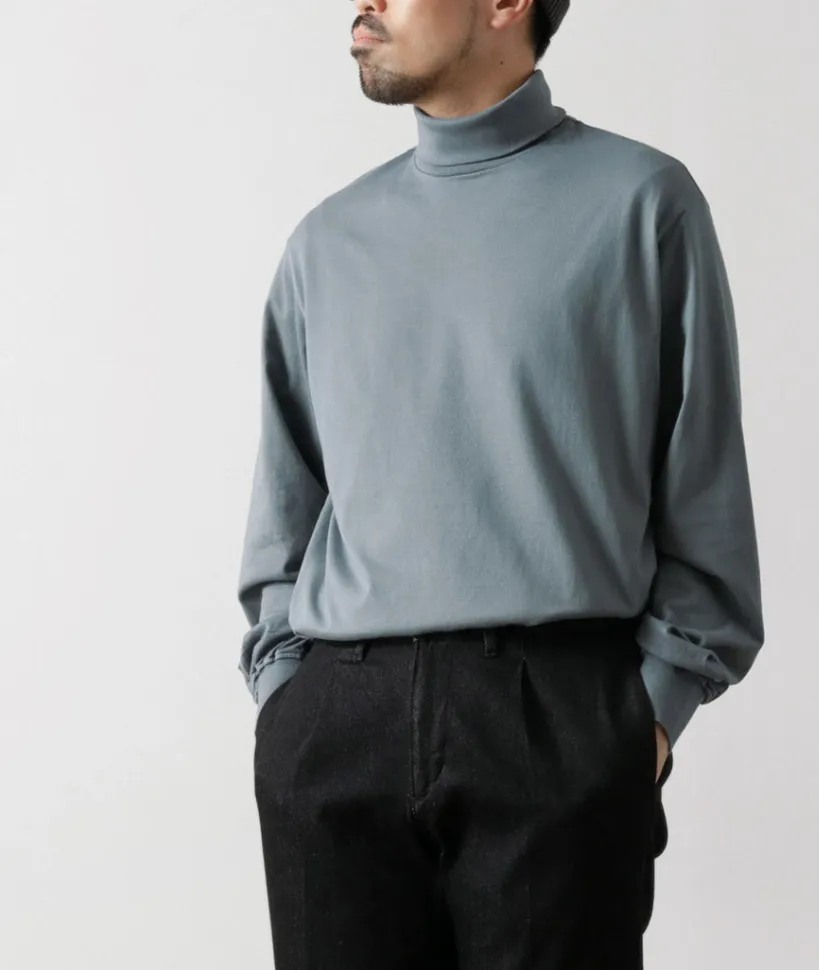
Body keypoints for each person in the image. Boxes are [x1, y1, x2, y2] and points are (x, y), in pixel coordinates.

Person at [236, 1, 765, 967]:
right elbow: (286, 508)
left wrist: (642, 722)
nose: (364, 3)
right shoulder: (326, 241)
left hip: (553, 723)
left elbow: (705, 493)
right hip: (336, 728)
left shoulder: (642, 203)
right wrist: (286, 701)